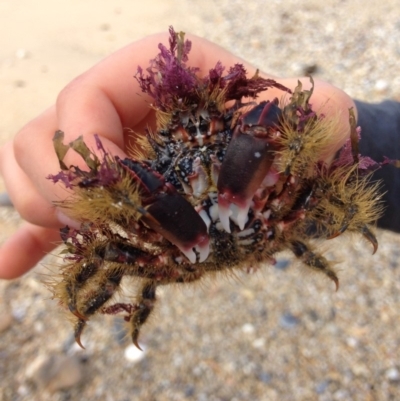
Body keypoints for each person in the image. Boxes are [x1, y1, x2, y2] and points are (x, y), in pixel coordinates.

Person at [0, 32, 398, 280]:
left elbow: (320, 181)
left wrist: (330, 133)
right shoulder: (154, 229)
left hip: (262, 217)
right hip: (197, 241)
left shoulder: (270, 178)